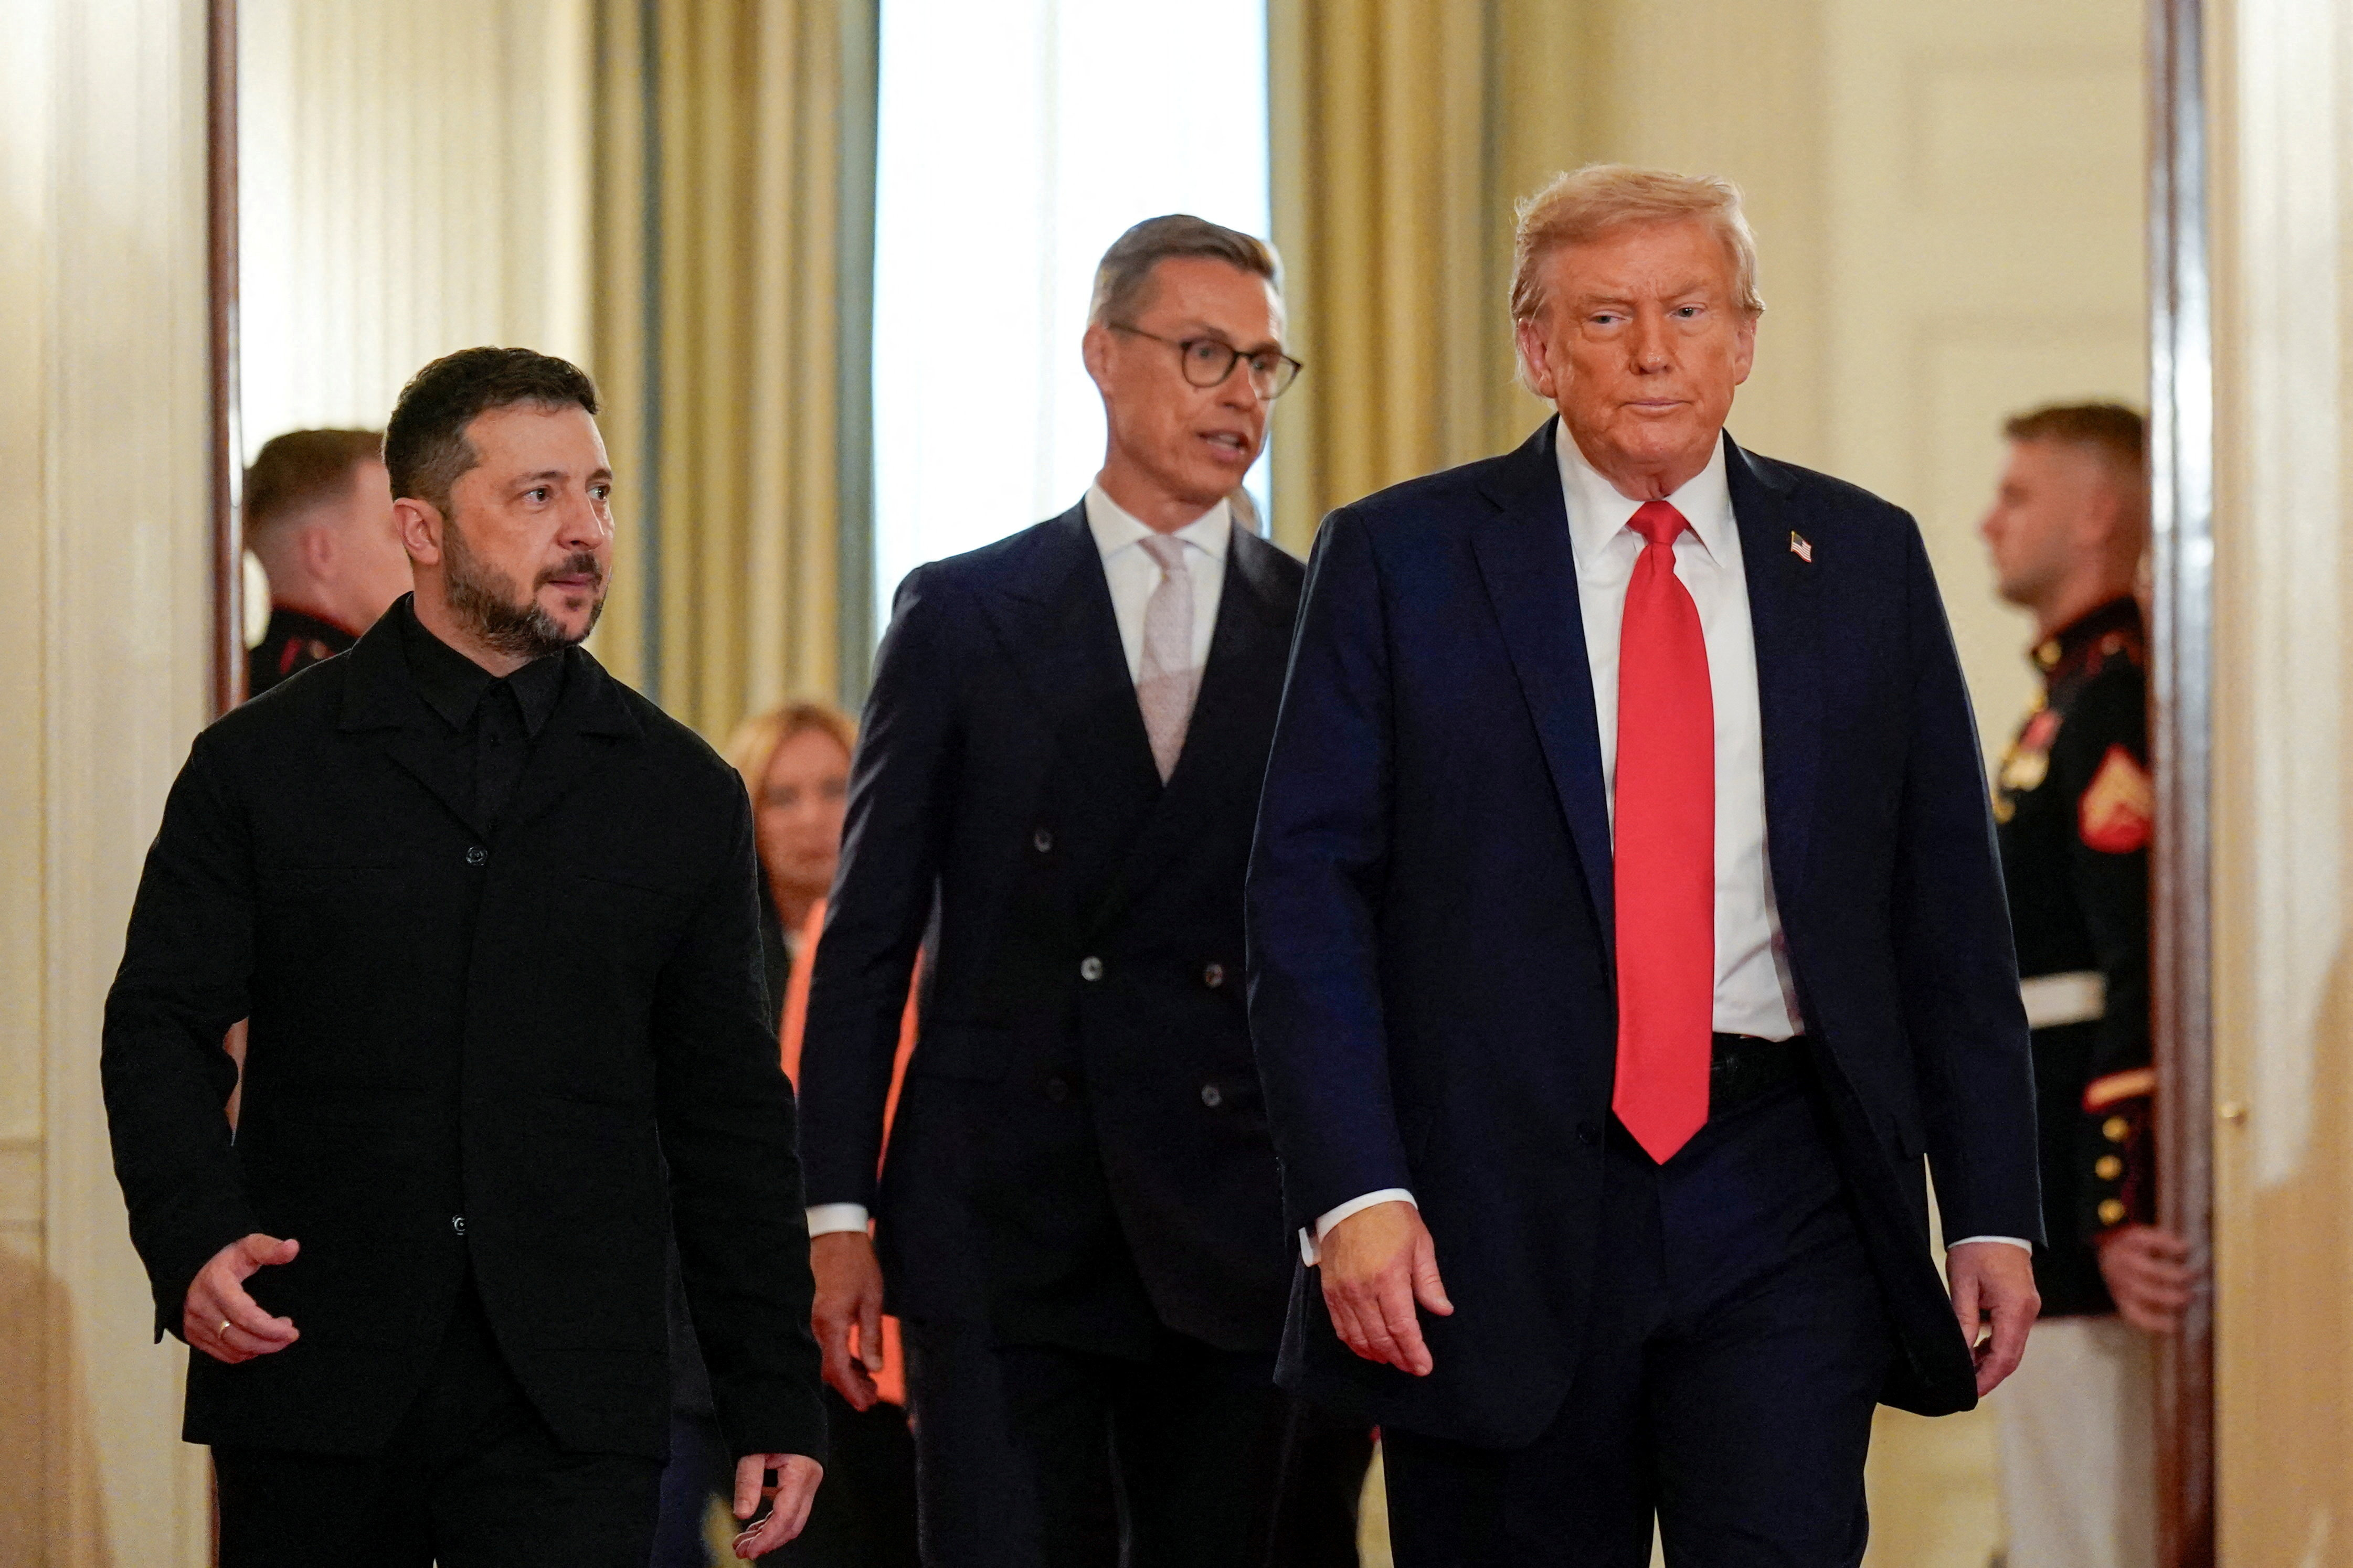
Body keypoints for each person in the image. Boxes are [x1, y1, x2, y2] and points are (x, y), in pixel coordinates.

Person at [1246, 165, 2044, 1566]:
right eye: (1605, 317)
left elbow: (1946, 913)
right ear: (1535, 350)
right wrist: (1354, 1194)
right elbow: (1306, 902)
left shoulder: (1861, 559)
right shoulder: (1397, 560)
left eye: (1688, 309)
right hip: (1487, 1200)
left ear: (1744, 338)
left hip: (1783, 1179)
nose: (1653, 351)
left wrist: (1989, 1207)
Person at [102, 346, 827, 1568]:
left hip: (574, 1401)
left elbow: (729, 1115)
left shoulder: (682, 793)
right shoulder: (258, 767)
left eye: (597, 492)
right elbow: (159, 1024)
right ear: (421, 528)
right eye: (537, 495)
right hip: (314, 1371)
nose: (584, 529)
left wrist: (772, 1389)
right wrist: (191, 1235)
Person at [795, 214, 1342, 1567]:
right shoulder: (964, 611)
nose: (1238, 394)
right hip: (1002, 1213)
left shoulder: (1319, 623)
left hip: (1235, 1208)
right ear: (1103, 354)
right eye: (1204, 352)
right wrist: (834, 1214)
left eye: (1262, 365)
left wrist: (1362, 1199)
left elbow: (1357, 942)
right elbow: (868, 936)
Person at [1979, 403, 2191, 1568]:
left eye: (2017, 496)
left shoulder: (2110, 698)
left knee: (2087, 1524)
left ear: (2096, 512)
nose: (1988, 520)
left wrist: (2116, 1197)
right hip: (2041, 1154)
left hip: (2076, 1173)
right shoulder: (2066, 695)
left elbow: (2138, 956)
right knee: (2052, 1506)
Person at [657, 700, 919, 1568]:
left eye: (836, 788)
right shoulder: (708, 959)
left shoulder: (927, 950)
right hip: (717, 1339)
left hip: (887, 1329)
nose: (812, 818)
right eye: (782, 796)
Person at [242, 427, 412, 697]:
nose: (428, 552)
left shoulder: (249, 682)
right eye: (400, 533)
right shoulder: (343, 695)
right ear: (322, 552)